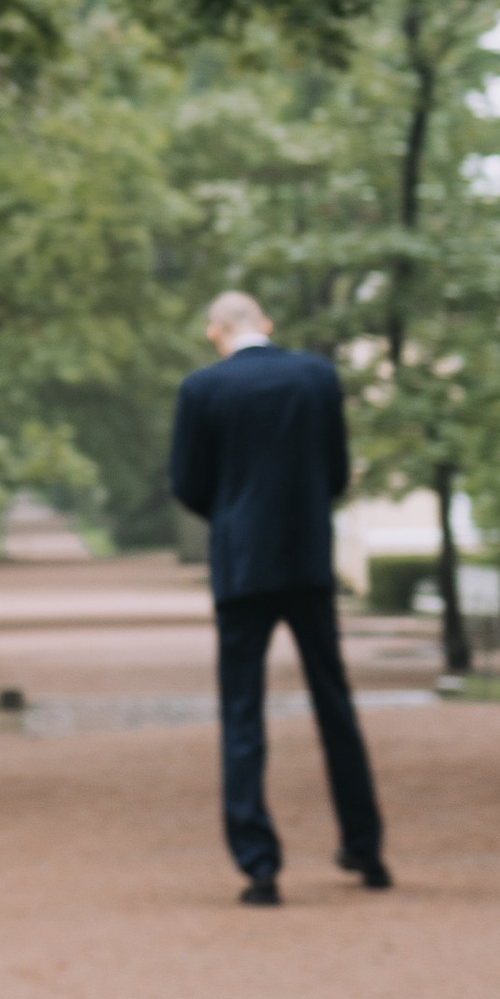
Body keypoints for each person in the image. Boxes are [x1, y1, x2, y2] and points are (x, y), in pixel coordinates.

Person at [168, 289, 388, 906]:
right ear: (265, 323)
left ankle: (260, 866)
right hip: (308, 559)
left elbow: (187, 483)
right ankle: (366, 849)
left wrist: (235, 515)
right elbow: (338, 472)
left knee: (243, 713)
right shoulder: (318, 378)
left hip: (242, 568)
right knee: (334, 704)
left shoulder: (202, 391)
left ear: (217, 332)